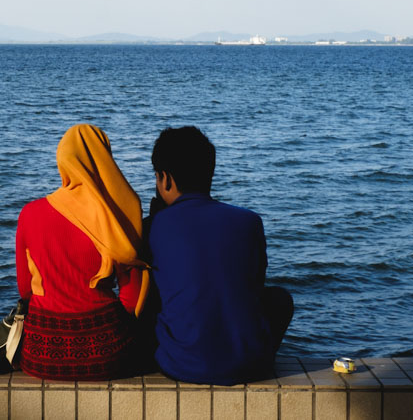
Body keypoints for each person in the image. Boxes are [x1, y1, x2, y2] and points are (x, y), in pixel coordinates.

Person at [144, 126, 293, 385]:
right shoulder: (250, 221)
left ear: (164, 179)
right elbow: (255, 288)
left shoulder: (152, 226)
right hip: (251, 366)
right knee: (280, 298)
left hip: (180, 365)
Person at [15, 123, 150, 380]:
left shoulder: (30, 214)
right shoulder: (116, 216)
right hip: (108, 355)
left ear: (62, 160)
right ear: (105, 160)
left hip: (41, 356)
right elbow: (132, 296)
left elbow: (26, 290)